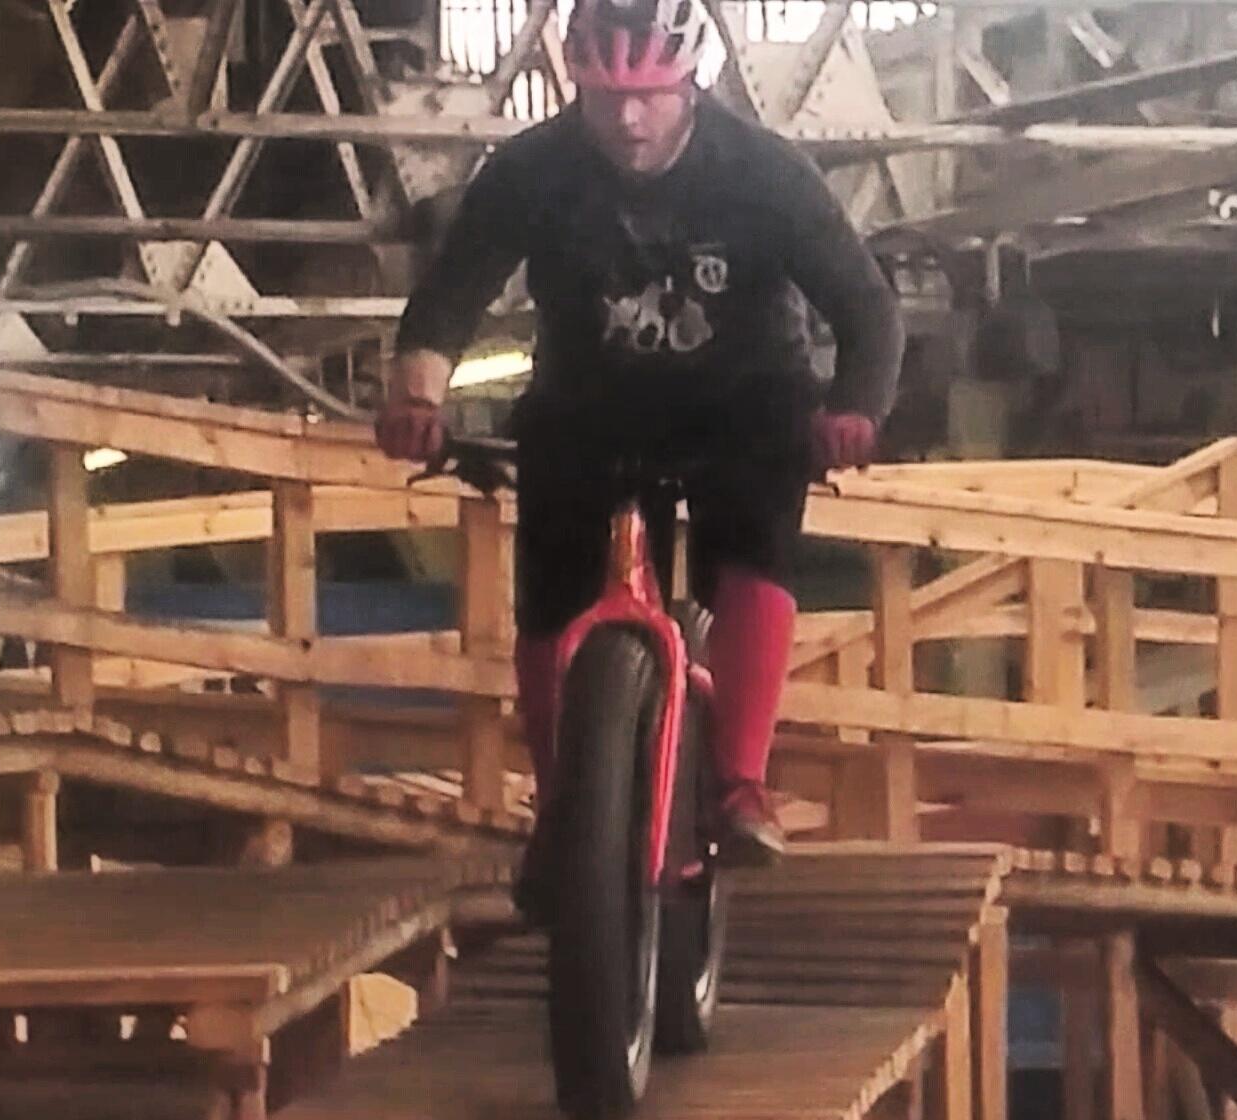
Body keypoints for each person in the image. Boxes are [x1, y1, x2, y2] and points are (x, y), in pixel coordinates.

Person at [374, 0, 903, 875]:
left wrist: (855, 408)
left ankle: (740, 782)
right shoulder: (532, 170)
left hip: (742, 401)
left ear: (689, 84)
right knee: (551, 593)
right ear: (576, 85)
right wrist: (417, 399)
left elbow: (867, 308)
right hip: (590, 405)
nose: (626, 120)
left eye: (649, 97)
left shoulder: (763, 171)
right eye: (604, 98)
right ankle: (561, 809)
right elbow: (450, 296)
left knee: (754, 546)